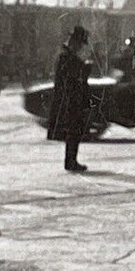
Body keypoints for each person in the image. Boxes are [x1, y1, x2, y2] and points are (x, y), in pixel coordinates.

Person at [48, 25, 94, 173]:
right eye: (80, 43)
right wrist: (84, 69)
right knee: (73, 132)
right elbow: (72, 78)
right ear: (74, 41)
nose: (80, 47)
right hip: (69, 101)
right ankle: (70, 161)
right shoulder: (66, 56)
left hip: (71, 100)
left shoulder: (67, 55)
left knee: (74, 131)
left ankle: (71, 160)